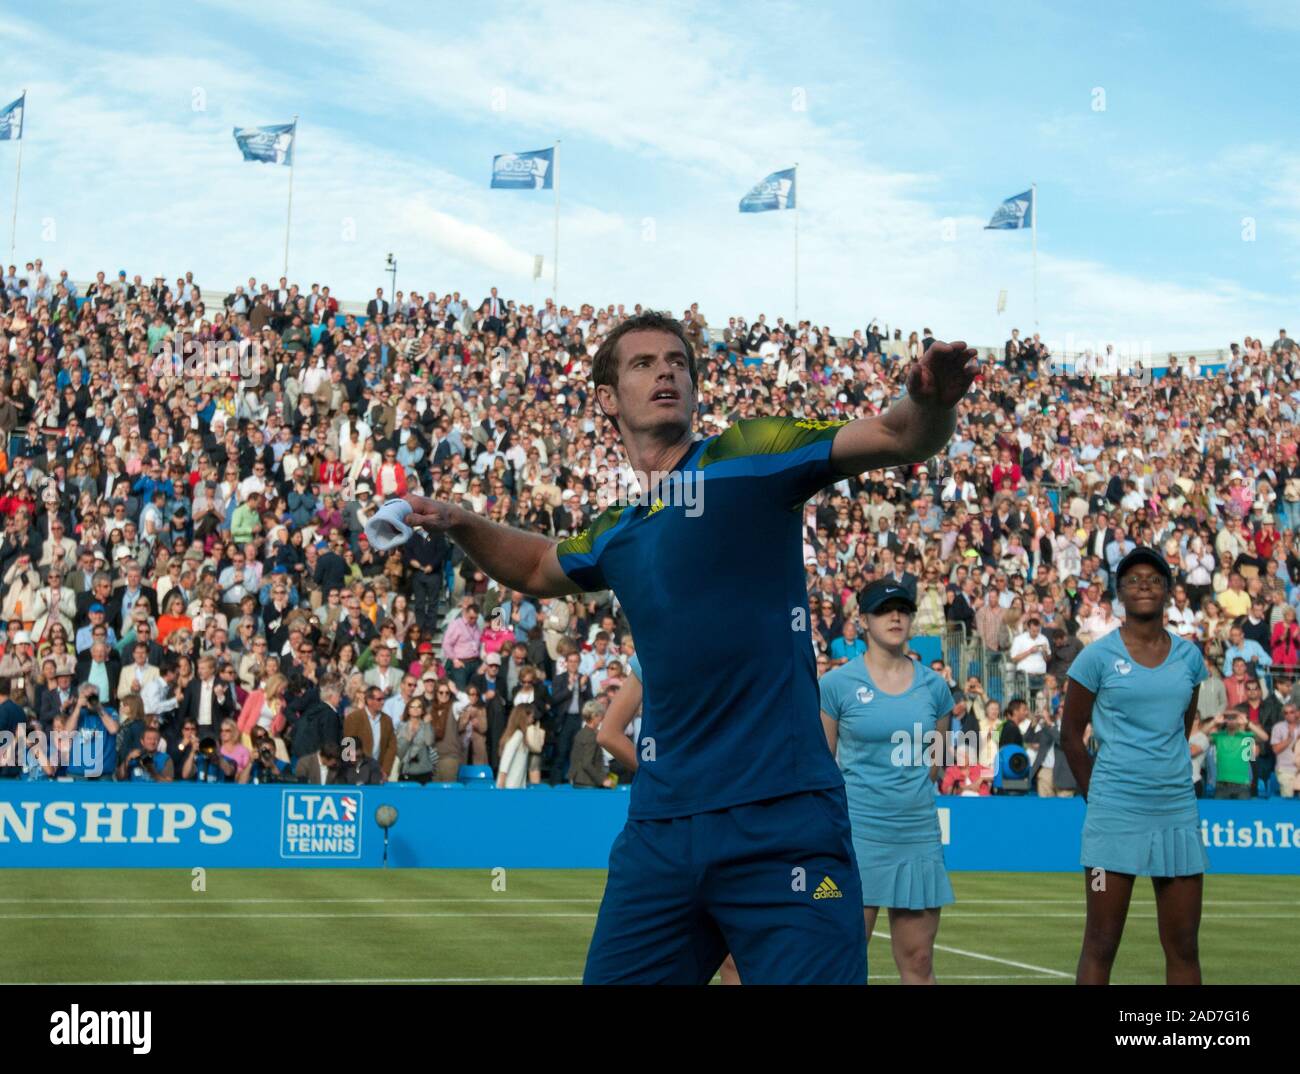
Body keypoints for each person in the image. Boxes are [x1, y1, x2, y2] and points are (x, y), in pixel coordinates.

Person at [403, 315, 978, 984]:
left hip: (785, 824)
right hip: (662, 832)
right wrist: (462, 523)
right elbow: (536, 567)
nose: (666, 371)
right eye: (643, 363)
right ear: (607, 397)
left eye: (677, 361)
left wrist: (932, 402)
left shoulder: (749, 453)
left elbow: (897, 434)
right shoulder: (618, 531)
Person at [1061, 547, 1208, 985]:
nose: (1144, 584)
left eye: (1153, 578)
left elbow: (1180, 730)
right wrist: (1100, 796)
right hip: (1113, 820)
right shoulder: (1096, 657)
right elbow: (1070, 735)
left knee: (1184, 946)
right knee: (1101, 943)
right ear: (1119, 593)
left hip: (1176, 815)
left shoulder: (1190, 658)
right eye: (1133, 579)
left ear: (1167, 590)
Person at [819, 579, 954, 985]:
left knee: (919, 962)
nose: (895, 616)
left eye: (903, 609)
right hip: (856, 835)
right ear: (863, 620)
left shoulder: (935, 686)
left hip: (916, 835)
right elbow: (822, 766)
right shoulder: (836, 685)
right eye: (883, 609)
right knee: (841, 961)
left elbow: (939, 760)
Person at [569, 699, 614, 787]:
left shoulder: (581, 733)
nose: (601, 719)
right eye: (600, 716)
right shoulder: (591, 737)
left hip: (577, 779)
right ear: (594, 716)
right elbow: (587, 763)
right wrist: (603, 780)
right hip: (587, 782)